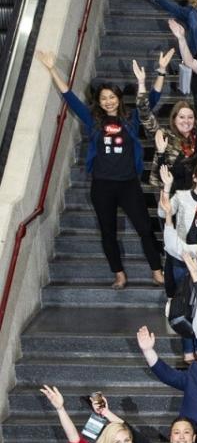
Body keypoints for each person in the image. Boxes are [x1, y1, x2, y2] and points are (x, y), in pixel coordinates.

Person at [36, 51, 165, 290]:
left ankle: (157, 271)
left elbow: (153, 99)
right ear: (99, 102)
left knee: (145, 229)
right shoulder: (93, 120)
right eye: (103, 98)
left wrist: (157, 73)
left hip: (129, 184)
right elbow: (70, 98)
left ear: (118, 98)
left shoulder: (132, 119)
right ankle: (119, 274)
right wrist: (53, 69)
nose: (108, 101)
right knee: (108, 232)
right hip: (102, 185)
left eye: (112, 97)